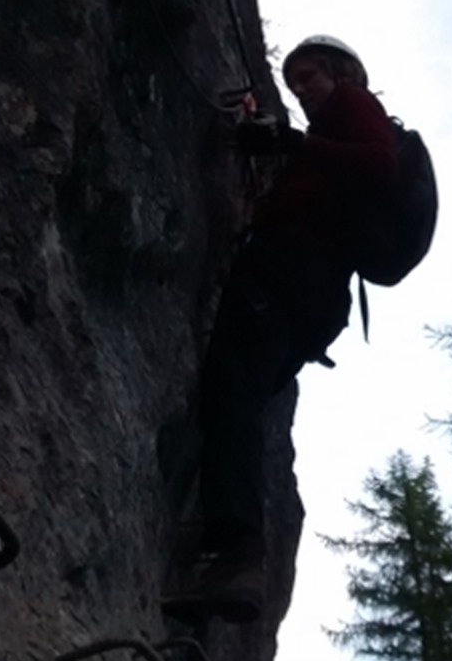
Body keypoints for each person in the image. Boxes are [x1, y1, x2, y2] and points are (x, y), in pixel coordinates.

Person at [163, 36, 398, 623]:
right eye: (294, 83)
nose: (303, 89)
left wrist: (293, 139)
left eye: (310, 76)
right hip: (312, 290)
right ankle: (224, 536)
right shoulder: (328, 140)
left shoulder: (351, 104)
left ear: (341, 73)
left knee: (233, 387)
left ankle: (235, 549)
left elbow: (380, 161)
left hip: (292, 270)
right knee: (235, 397)